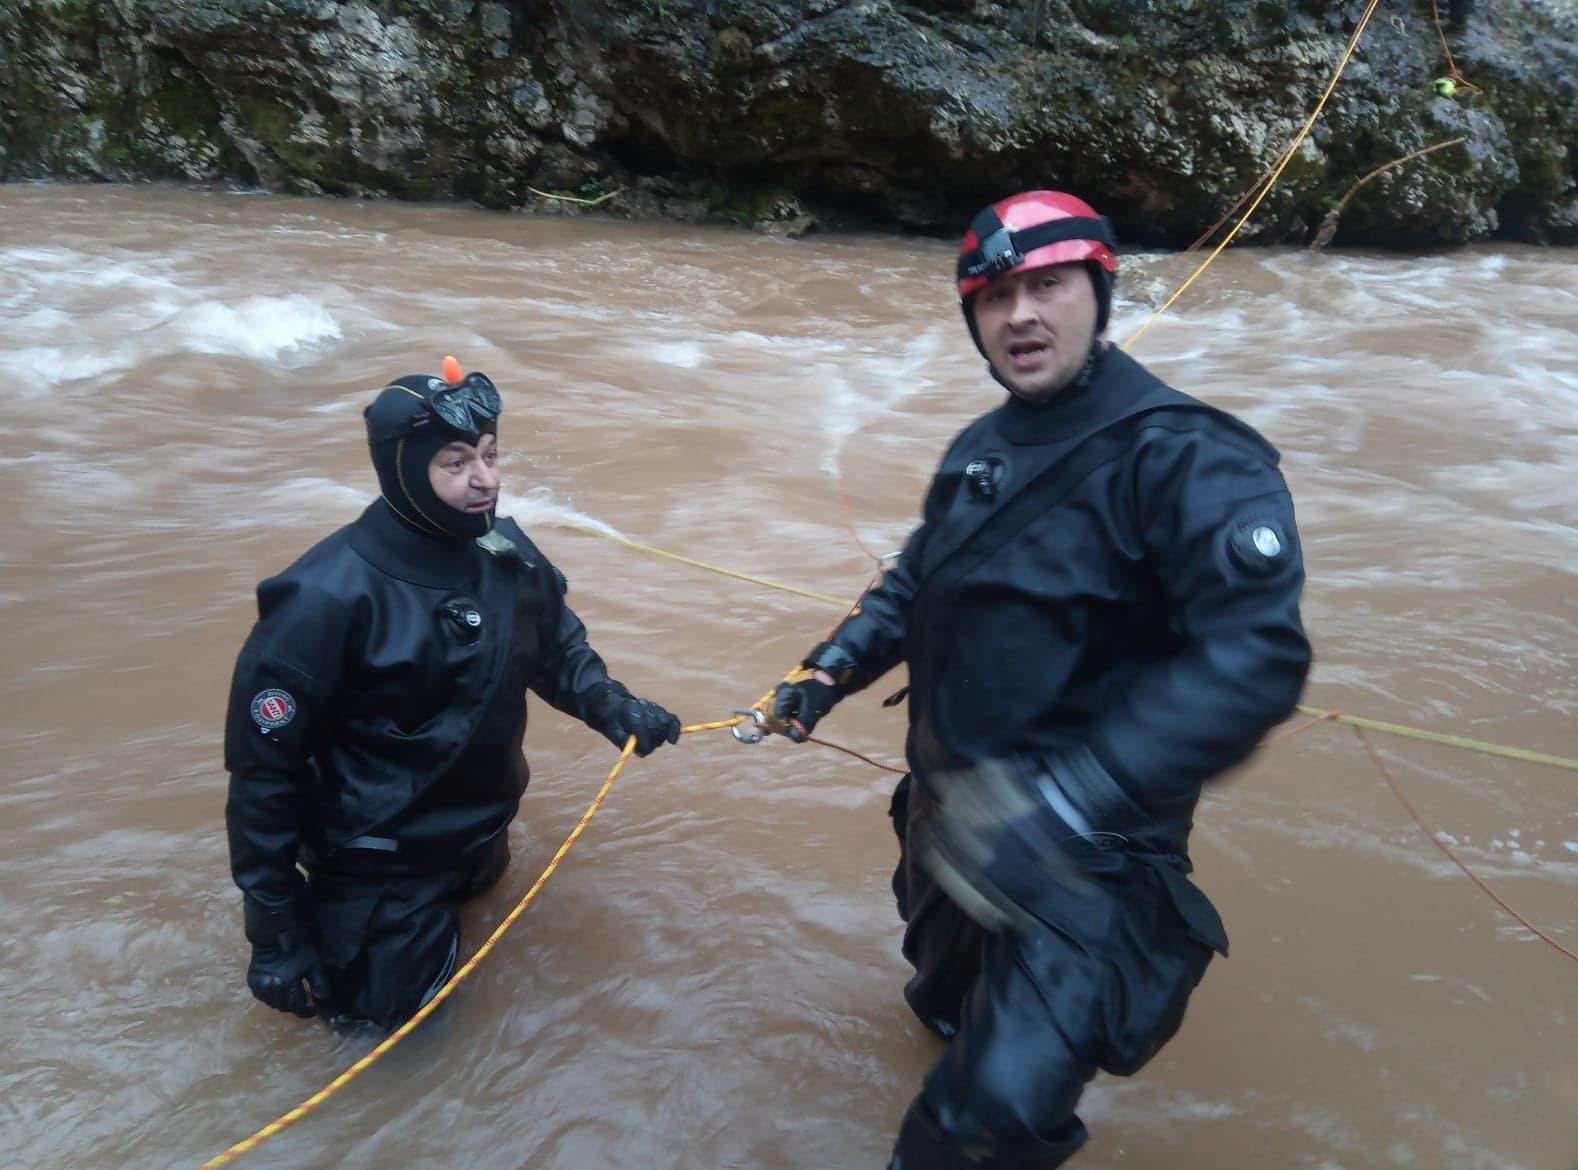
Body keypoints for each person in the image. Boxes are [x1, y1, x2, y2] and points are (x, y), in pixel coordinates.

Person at [758, 192, 1312, 1168]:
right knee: (938, 1014)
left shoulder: (1190, 459)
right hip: (948, 825)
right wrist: (827, 671)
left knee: (985, 1126)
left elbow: (1253, 658)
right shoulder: (978, 452)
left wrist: (1066, 802)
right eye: (995, 294)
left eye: (1047, 286)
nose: (1020, 315)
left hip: (1085, 858)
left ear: (1099, 291)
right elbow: (913, 583)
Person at [224, 361, 681, 1030]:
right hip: (378, 872)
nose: (487, 479)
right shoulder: (322, 601)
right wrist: (275, 934)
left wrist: (614, 707)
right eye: (457, 462)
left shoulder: (504, 550)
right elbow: (262, 779)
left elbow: (556, 649)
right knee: (395, 1045)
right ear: (404, 470)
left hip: (479, 836)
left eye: (492, 455)